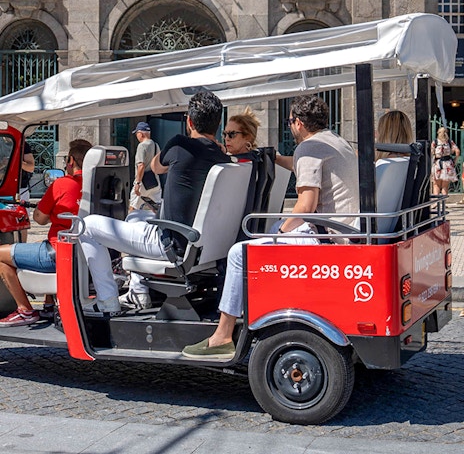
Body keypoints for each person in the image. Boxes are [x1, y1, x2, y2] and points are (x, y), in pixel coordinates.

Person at [182, 95, 359, 360]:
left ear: (298, 123)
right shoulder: (336, 142)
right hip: (343, 229)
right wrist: (275, 158)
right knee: (272, 227)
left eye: (290, 122)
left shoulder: (309, 147)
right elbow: (302, 167)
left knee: (239, 253)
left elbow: (306, 204)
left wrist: (281, 234)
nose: (290, 126)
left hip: (327, 236)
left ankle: (223, 335)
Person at [79, 91, 231, 314]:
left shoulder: (180, 145)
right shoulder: (223, 158)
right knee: (135, 216)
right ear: (218, 123)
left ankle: (107, 301)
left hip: (170, 243)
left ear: (189, 121)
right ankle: (138, 291)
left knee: (86, 226)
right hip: (201, 244)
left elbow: (156, 167)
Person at [0, 139, 92, 327]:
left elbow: (40, 218)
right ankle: (49, 304)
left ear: (71, 160)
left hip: (56, 254)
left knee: (1, 254)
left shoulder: (62, 184)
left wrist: (55, 214)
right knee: (45, 241)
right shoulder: (96, 186)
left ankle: (25, 310)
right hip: (83, 253)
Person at [129, 121, 161, 213]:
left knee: (133, 207)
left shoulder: (142, 146)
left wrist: (137, 183)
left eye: (137, 133)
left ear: (141, 134)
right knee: (156, 208)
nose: (136, 136)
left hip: (142, 182)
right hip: (154, 181)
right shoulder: (156, 145)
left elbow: (141, 165)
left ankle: (129, 224)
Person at [431, 127, 460, 196]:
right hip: (448, 164)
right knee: (445, 186)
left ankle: (436, 203)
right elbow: (457, 151)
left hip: (438, 164)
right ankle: (444, 203)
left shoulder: (435, 142)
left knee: (436, 185)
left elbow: (431, 152)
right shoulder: (450, 142)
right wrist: (455, 160)